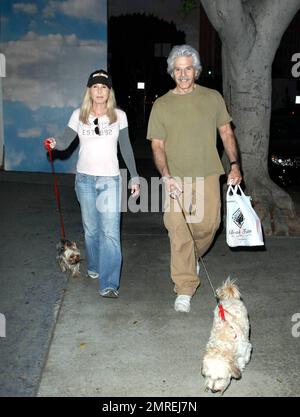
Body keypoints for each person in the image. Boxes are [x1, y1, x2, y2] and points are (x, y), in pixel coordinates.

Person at [147, 45, 242, 313]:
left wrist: (234, 165)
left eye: (188, 68)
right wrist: (165, 176)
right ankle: (184, 288)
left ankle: (192, 257)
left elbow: (226, 133)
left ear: (196, 70)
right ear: (172, 72)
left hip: (208, 174)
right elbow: (157, 146)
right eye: (178, 69)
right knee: (178, 230)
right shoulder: (162, 104)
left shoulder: (212, 98)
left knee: (208, 226)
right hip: (176, 179)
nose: (183, 74)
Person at [44, 69, 140, 298]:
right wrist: (53, 142)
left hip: (110, 179)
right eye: (95, 87)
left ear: (109, 91)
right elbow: (66, 141)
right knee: (91, 231)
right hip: (85, 179)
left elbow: (126, 147)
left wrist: (134, 176)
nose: (99, 91)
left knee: (110, 233)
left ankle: (109, 284)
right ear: (89, 90)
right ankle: (95, 266)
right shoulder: (79, 115)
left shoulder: (119, 116)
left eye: (104, 87)